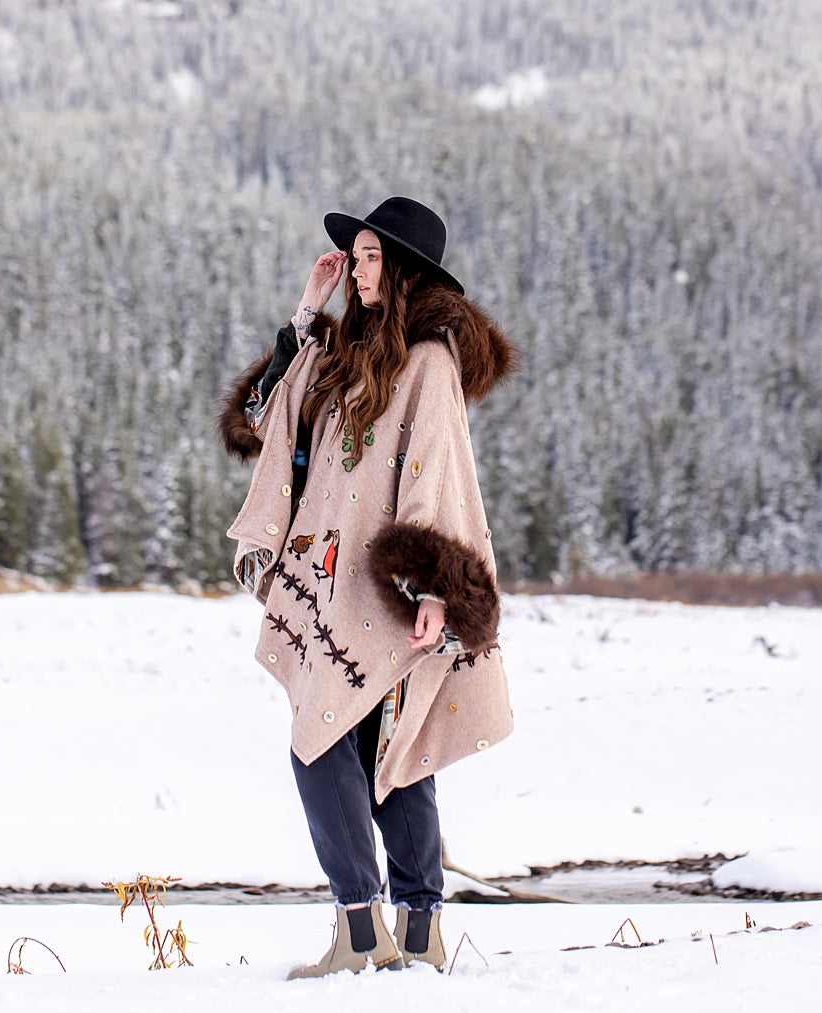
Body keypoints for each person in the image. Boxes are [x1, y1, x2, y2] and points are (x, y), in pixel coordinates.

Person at [219, 196, 515, 978]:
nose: (356, 266)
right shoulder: (341, 354)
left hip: (385, 585)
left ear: (406, 268)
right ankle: (417, 931)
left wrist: (430, 588)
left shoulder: (428, 362)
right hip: (330, 578)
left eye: (371, 255)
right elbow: (261, 423)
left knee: (335, 742)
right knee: (380, 745)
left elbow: (436, 477)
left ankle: (360, 928)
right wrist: (306, 315)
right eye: (353, 255)